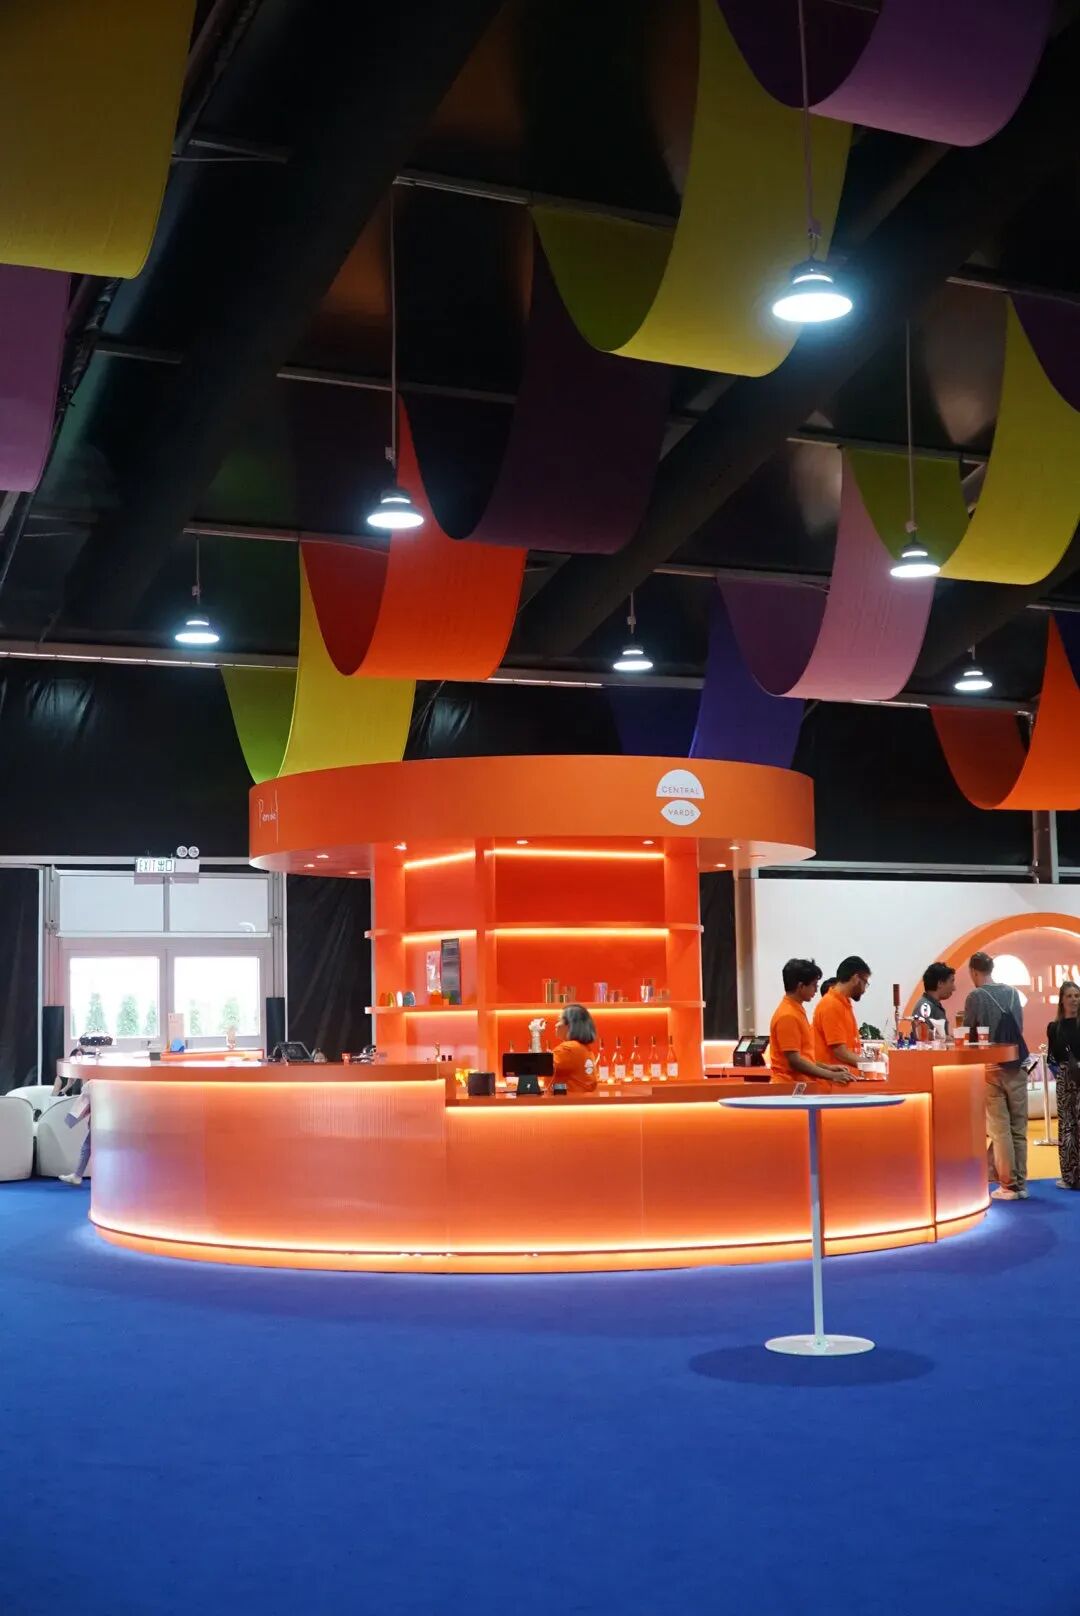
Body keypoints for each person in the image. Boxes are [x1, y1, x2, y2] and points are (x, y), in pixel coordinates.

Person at [964, 950, 1028, 1201]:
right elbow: (1019, 1027)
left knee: (1000, 1130)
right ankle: (1021, 1184)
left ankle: (1008, 1186)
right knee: (1018, 1128)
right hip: (1017, 1064)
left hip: (991, 1068)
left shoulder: (975, 996)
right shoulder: (1012, 993)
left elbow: (969, 1033)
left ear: (974, 972)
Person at [769, 959, 854, 1085]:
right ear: (801, 986)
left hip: (799, 1085)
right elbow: (795, 1061)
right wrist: (831, 1075)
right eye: (814, 985)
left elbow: (804, 1057)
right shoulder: (788, 1016)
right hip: (787, 1087)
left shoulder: (796, 1010)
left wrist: (827, 1068)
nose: (816, 989)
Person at [1046, 980, 1080, 1192]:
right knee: (1067, 1127)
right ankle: (1069, 1176)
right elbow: (1051, 1058)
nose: (1074, 1000)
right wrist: (1062, 1074)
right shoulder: (1054, 1028)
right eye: (1069, 996)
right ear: (1062, 1000)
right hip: (1065, 1080)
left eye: (1077, 995)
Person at [813, 956, 871, 1075]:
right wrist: (872, 1065)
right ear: (856, 978)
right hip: (831, 1082)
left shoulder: (844, 1003)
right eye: (865, 982)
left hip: (844, 1078)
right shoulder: (831, 1005)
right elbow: (840, 1052)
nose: (864, 990)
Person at [551, 1004, 598, 1092]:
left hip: (565, 1099)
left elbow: (539, 1066)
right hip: (580, 1099)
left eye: (559, 1020)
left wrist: (535, 1034)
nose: (556, 1025)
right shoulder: (583, 1048)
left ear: (571, 1025)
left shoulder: (567, 1049)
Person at [911, 962, 956, 1033]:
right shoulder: (925, 1006)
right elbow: (921, 1033)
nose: (954, 988)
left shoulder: (933, 1005)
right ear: (940, 983)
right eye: (951, 982)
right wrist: (945, 1038)